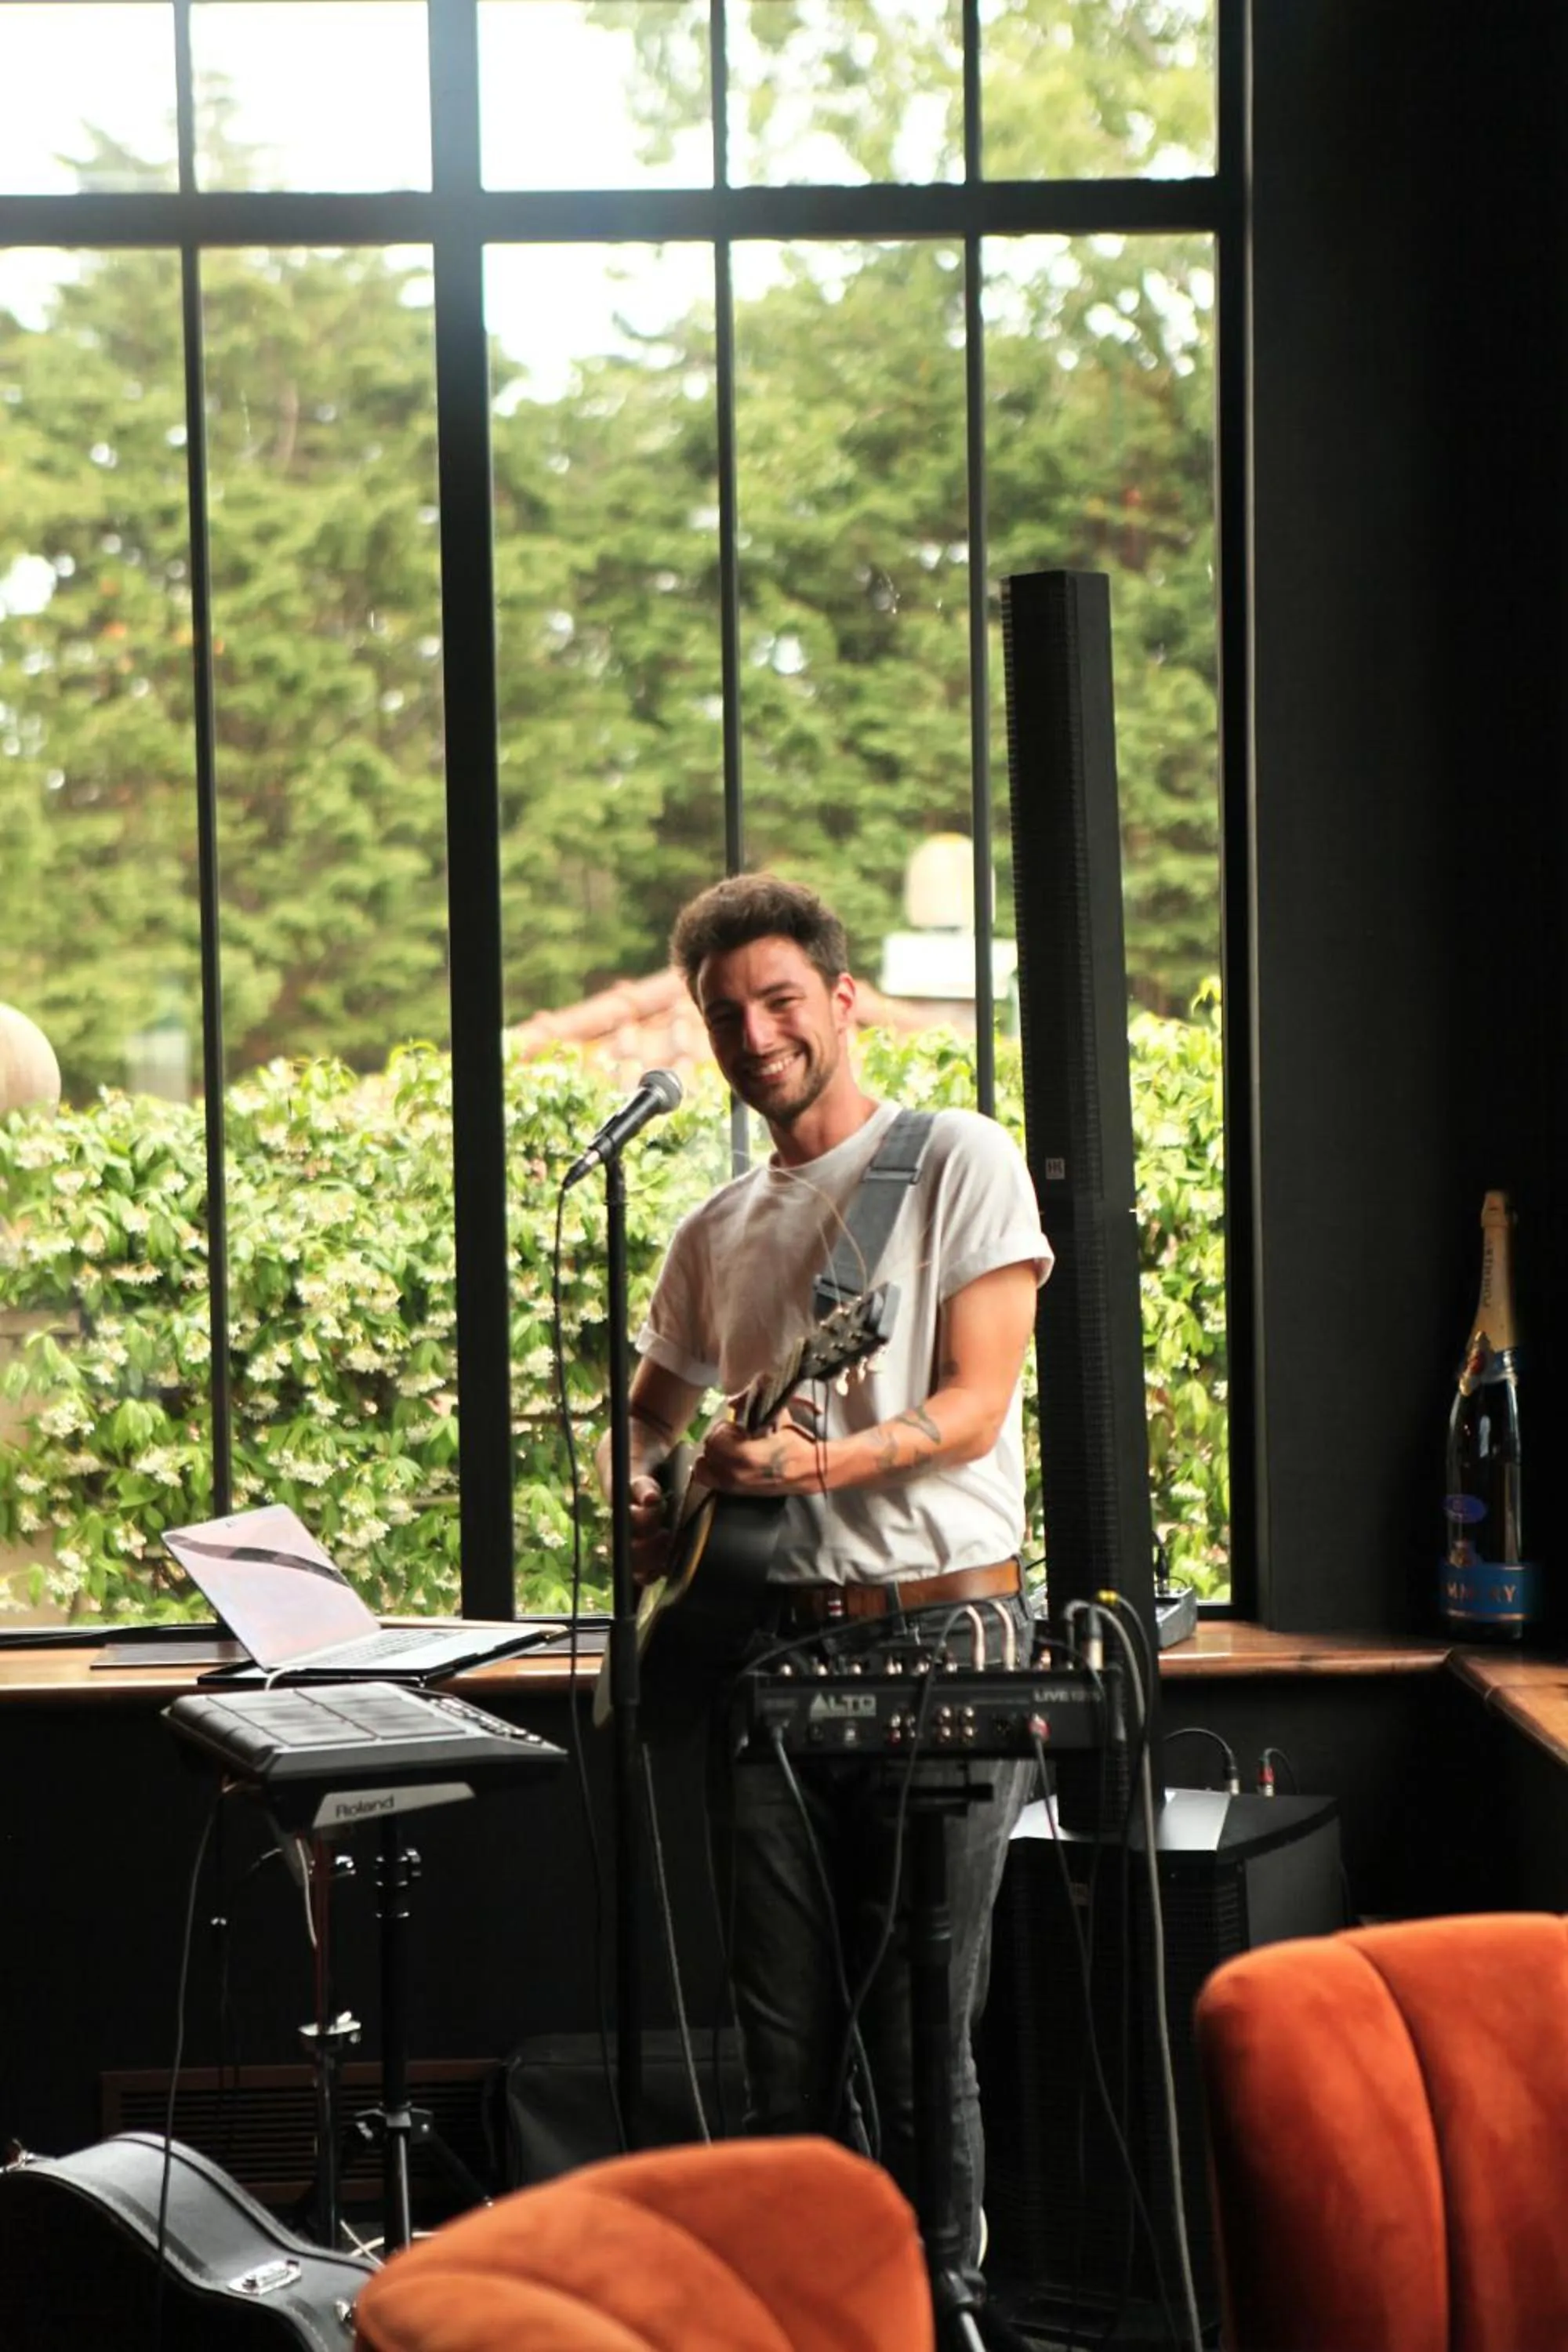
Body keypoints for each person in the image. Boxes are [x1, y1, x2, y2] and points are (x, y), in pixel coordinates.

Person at [597, 871, 1052, 2278]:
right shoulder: (713, 1230)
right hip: (765, 1658)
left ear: (842, 1001)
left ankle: (943, 2308)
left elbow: (973, 1407)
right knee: (779, 2056)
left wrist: (816, 1468)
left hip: (944, 1643)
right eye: (726, 1013)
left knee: (926, 2040)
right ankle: (795, 2307)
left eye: (781, 999)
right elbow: (649, 1416)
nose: (756, 1033)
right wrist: (642, 1492)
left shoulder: (959, 1157)